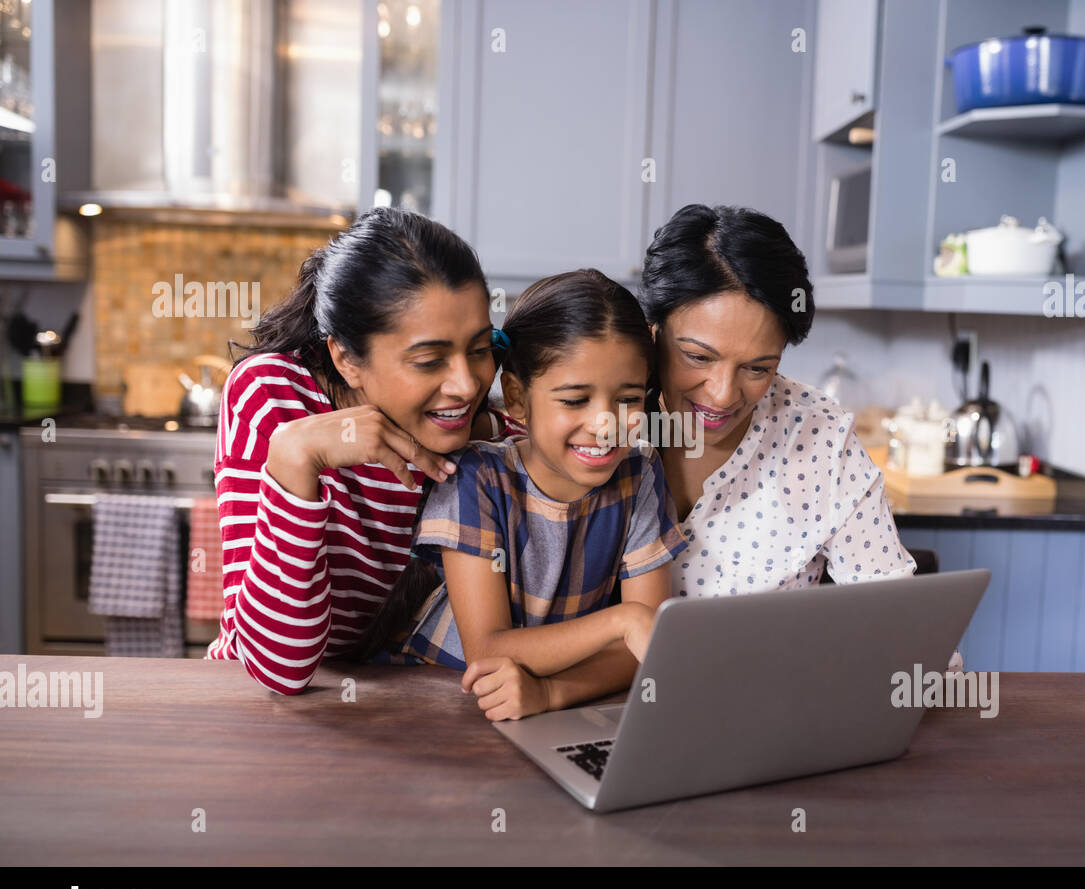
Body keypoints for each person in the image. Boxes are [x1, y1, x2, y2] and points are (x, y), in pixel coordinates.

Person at [206, 207, 523, 694]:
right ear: (346, 359)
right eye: (429, 360)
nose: (466, 384)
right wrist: (296, 456)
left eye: (480, 350)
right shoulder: (273, 396)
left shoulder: (498, 444)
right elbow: (280, 668)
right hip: (265, 704)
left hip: (406, 706)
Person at [370, 269, 687, 719]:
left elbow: (642, 649)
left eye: (628, 399)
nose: (606, 424)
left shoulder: (639, 474)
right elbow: (488, 650)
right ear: (517, 397)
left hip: (537, 708)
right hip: (434, 699)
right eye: (575, 400)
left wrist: (552, 694)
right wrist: (621, 620)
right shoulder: (476, 478)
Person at [639, 203, 917, 597]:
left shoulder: (821, 437)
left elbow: (896, 615)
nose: (722, 395)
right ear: (653, 330)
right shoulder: (602, 420)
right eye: (698, 357)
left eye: (757, 368)